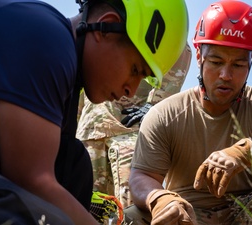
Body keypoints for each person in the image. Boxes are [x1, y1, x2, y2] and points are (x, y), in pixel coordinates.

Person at [0, 0, 188, 224]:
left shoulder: (68, 79)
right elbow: (31, 179)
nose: (131, 91)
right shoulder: (45, 37)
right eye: (135, 70)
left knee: (73, 166)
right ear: (106, 27)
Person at [125, 1, 252, 225]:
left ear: (251, 62)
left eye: (238, 65)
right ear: (199, 56)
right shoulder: (165, 114)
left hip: (247, 214)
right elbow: (141, 177)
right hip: (187, 216)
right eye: (216, 62)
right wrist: (160, 199)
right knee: (132, 217)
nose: (226, 75)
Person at [76, 43, 192, 210]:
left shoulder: (157, 28)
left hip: (128, 133)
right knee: (85, 206)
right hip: (91, 130)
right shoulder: (110, 29)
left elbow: (178, 49)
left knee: (132, 208)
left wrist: (154, 104)